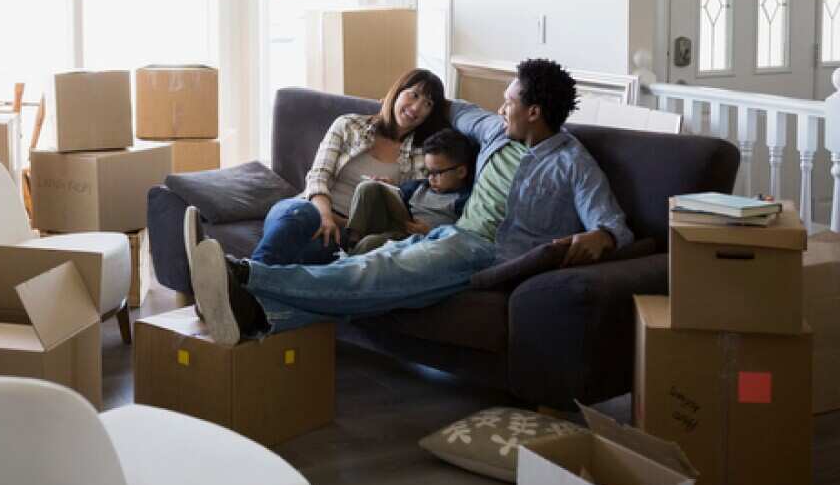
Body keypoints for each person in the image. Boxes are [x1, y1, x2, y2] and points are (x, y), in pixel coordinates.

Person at [190, 58, 634, 346]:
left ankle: (243, 275)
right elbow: (453, 106)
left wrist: (602, 235)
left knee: (371, 270)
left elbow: (614, 223)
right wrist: (410, 101)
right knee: (370, 281)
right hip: (449, 237)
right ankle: (256, 315)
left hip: (486, 252)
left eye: (509, 102)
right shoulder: (494, 131)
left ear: (533, 112)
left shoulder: (574, 164)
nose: (501, 109)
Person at [186, 69, 454, 272]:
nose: (417, 107)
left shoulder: (423, 156)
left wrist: (389, 194)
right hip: (309, 207)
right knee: (295, 215)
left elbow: (413, 208)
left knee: (302, 256)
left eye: (428, 104)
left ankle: (234, 278)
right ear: (398, 91)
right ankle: (240, 278)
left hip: (348, 234)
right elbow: (319, 175)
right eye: (414, 94)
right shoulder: (348, 125)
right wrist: (324, 215)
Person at [346, 128, 474, 254]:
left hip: (418, 241)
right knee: (369, 186)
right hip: (402, 224)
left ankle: (348, 261)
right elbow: (396, 197)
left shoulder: (463, 200)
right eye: (428, 172)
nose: (430, 178)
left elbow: (461, 236)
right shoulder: (419, 187)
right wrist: (387, 186)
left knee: (369, 243)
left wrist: (430, 232)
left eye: (437, 173)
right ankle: (352, 241)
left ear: (461, 172)